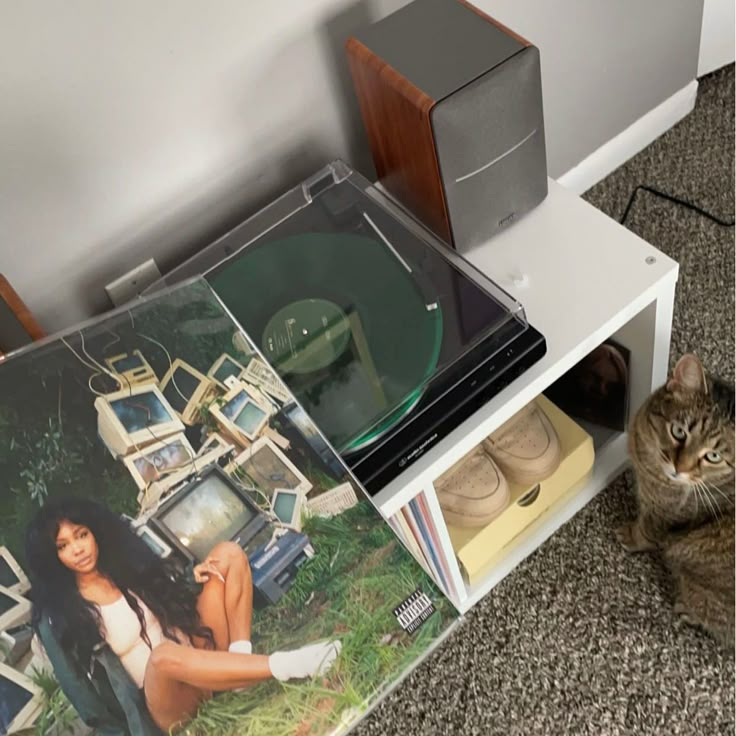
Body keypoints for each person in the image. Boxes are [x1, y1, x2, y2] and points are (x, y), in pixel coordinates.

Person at [25, 497, 341, 733]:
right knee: (162, 657)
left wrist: (192, 579)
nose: (78, 549)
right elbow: (84, 699)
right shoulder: (63, 616)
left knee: (226, 556)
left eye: (81, 535)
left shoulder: (119, 568)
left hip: (200, 662)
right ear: (52, 558)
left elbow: (167, 595)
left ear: (95, 533)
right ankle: (289, 664)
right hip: (168, 704)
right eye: (63, 546)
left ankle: (240, 671)